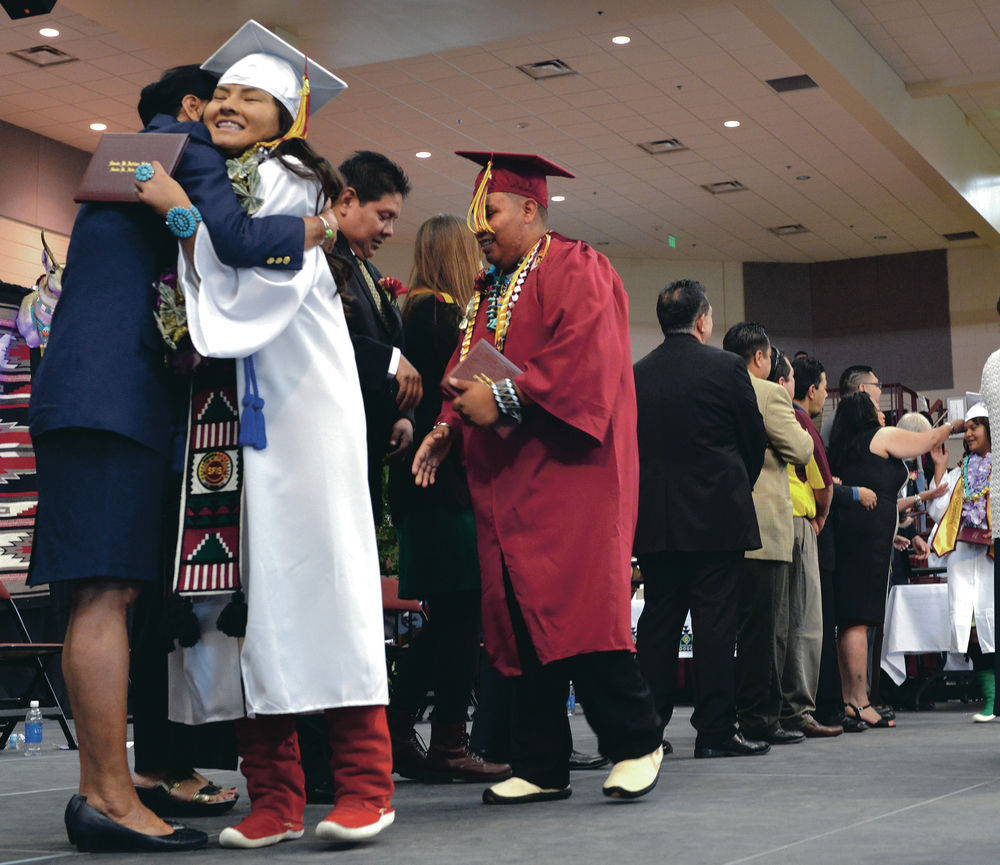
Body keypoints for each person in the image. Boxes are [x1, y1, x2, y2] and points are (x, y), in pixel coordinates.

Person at [29, 55, 335, 852]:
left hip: (80, 391)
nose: (230, 117)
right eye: (225, 98)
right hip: (115, 397)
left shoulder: (131, 149)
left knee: (94, 595)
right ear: (197, 105)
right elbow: (235, 239)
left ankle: (109, 786)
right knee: (107, 594)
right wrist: (316, 226)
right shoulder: (181, 147)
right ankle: (107, 797)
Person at [134, 21, 393, 847]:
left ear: (288, 115)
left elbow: (243, 296)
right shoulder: (218, 176)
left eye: (251, 95)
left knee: (319, 583)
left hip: (296, 413)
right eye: (219, 94)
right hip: (228, 424)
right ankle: (275, 798)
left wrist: (182, 224)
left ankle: (365, 783)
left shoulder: (292, 185)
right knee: (234, 599)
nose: (228, 105)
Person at [413, 151, 663, 803]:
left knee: (577, 609)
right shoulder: (491, 288)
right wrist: (446, 424)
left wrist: (505, 400)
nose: (481, 230)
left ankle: (637, 740)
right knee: (519, 622)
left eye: (489, 214)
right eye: (476, 219)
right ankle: (542, 760)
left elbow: (588, 356)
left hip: (571, 474)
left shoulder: (577, 266)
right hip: (509, 478)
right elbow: (464, 366)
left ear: (529, 209)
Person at [385, 214, 510, 784]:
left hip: (425, 488)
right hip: (444, 484)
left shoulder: (417, 312)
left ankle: (414, 733)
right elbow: (464, 389)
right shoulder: (441, 315)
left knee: (450, 619)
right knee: (457, 619)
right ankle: (440, 741)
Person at [634, 286, 768, 759]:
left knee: (658, 625)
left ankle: (646, 732)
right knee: (715, 626)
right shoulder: (726, 367)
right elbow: (753, 440)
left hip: (655, 519)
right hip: (716, 517)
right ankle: (714, 732)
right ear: (703, 321)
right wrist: (733, 485)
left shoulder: (637, 375)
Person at [827, 392, 962, 730]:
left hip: (857, 534)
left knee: (850, 621)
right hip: (866, 540)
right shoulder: (880, 437)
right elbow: (925, 439)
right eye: (877, 409)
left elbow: (884, 501)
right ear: (865, 415)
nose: (883, 414)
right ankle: (859, 701)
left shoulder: (848, 447)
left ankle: (850, 699)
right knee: (859, 620)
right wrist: (952, 426)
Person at [722, 323, 813, 747]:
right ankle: (760, 718)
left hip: (718, 527)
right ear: (761, 358)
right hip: (763, 528)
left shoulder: (713, 386)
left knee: (721, 630)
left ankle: (721, 718)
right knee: (765, 631)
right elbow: (801, 449)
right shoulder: (767, 393)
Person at [927, 404, 994, 722]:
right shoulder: (959, 472)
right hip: (965, 559)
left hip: (992, 558)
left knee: (994, 625)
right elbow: (937, 511)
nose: (967, 434)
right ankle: (991, 702)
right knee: (976, 630)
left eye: (974, 427)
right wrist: (940, 469)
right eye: (965, 428)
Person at [786, 355, 841, 737]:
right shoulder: (799, 418)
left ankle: (776, 709)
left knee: (775, 624)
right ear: (810, 389)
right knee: (805, 623)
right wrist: (821, 514)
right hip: (796, 521)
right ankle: (799, 710)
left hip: (764, 525)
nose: (824, 394)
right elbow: (821, 475)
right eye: (823, 386)